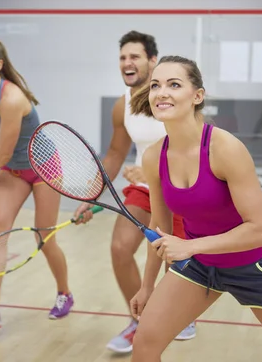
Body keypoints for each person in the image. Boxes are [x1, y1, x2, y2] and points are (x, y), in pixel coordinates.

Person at [128, 55, 262, 362]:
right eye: (155, 85)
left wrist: (189, 246)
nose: (161, 92)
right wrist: (146, 286)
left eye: (174, 84)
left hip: (253, 267)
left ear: (197, 96)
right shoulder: (154, 157)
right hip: (198, 267)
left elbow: (258, 231)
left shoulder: (226, 149)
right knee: (144, 346)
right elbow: (161, 228)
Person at [73, 31, 196, 353]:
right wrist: (91, 196)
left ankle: (179, 314)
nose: (127, 63)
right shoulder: (122, 105)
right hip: (143, 188)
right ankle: (139, 320)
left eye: (135, 57)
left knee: (173, 259)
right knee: (119, 248)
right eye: (123, 58)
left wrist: (158, 171)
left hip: (180, 188)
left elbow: (193, 147)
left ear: (152, 61)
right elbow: (115, 154)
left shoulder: (171, 99)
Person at [0, 36, 74, 329]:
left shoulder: (12, 98)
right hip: (12, 170)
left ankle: (64, 293)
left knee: (44, 237)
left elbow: (6, 150)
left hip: (44, 168)